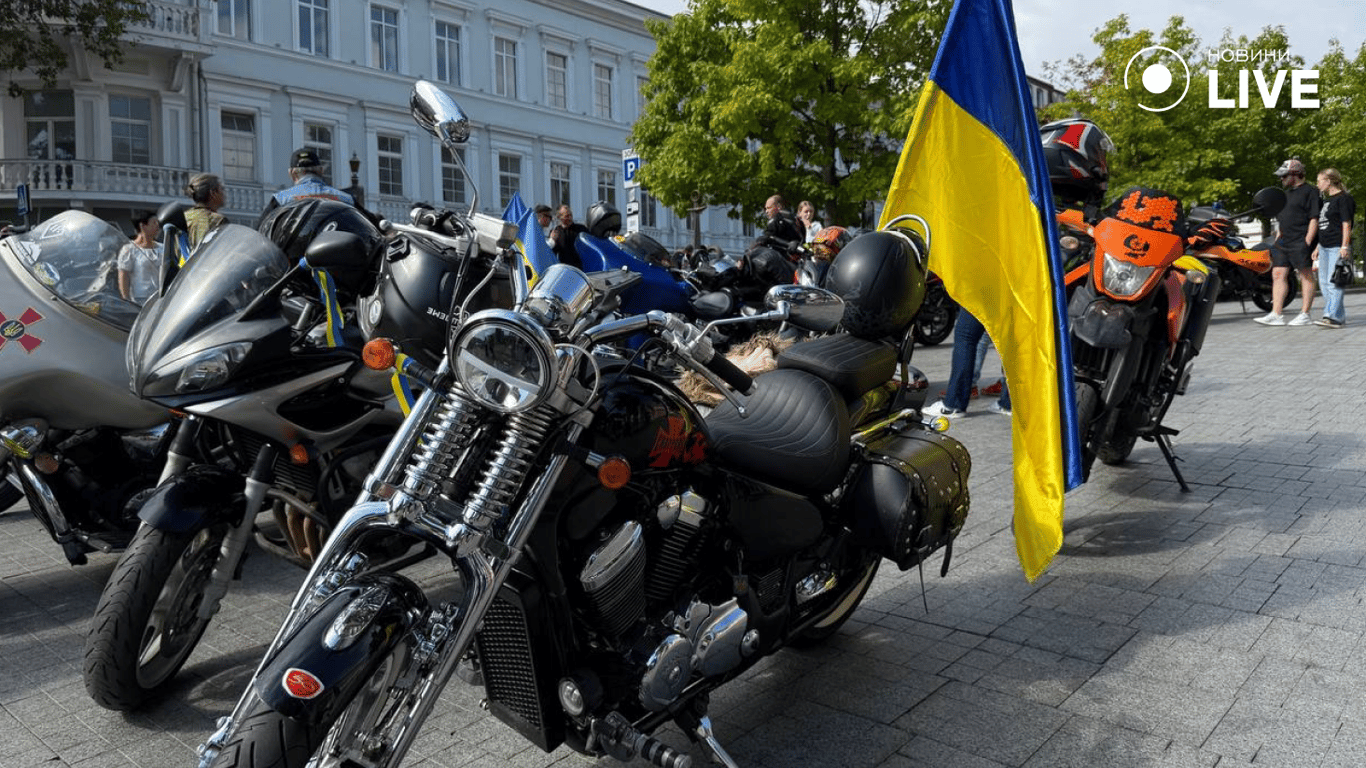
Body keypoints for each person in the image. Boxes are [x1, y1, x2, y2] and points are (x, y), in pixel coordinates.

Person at [1255, 158, 1320, 326]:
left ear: (1295, 174)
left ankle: (1305, 314)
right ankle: (1276, 314)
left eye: (1284, 176)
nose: (1281, 179)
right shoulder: (1284, 195)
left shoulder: (1311, 191)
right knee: (1278, 274)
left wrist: (1307, 241)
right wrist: (1278, 236)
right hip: (1283, 241)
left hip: (1301, 239)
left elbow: (1314, 218)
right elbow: (1282, 218)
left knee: (1305, 275)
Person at [922, 310, 1011, 419]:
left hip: (987, 293)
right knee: (1011, 334)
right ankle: (1010, 402)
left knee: (966, 334)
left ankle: (954, 404)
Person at [258, 148, 354, 226]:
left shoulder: (280, 200)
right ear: (321, 171)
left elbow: (260, 232)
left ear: (292, 173)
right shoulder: (348, 199)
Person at [1312, 168, 1355, 328]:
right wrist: (1317, 246)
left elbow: (1346, 224)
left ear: (1328, 181)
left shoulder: (1344, 199)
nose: (1317, 185)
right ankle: (1339, 316)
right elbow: (1325, 225)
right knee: (1323, 283)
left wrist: (1345, 245)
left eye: (1319, 181)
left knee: (1334, 283)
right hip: (1324, 246)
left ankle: (1331, 316)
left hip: (1337, 246)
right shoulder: (1327, 201)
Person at [117, 210, 163, 304]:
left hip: (160, 298)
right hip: (140, 300)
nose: (157, 226)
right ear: (143, 226)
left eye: (158, 223)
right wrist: (126, 299)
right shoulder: (129, 249)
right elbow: (123, 275)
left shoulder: (162, 247)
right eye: (154, 223)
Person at [183, 173, 227, 249]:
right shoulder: (217, 220)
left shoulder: (183, 217)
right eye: (221, 189)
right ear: (213, 193)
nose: (224, 194)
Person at [549, 204, 588, 269]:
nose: (570, 218)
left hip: (581, 266)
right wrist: (552, 240)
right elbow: (552, 253)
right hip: (565, 268)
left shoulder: (581, 229)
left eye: (571, 215)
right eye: (567, 216)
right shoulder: (556, 232)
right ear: (559, 217)